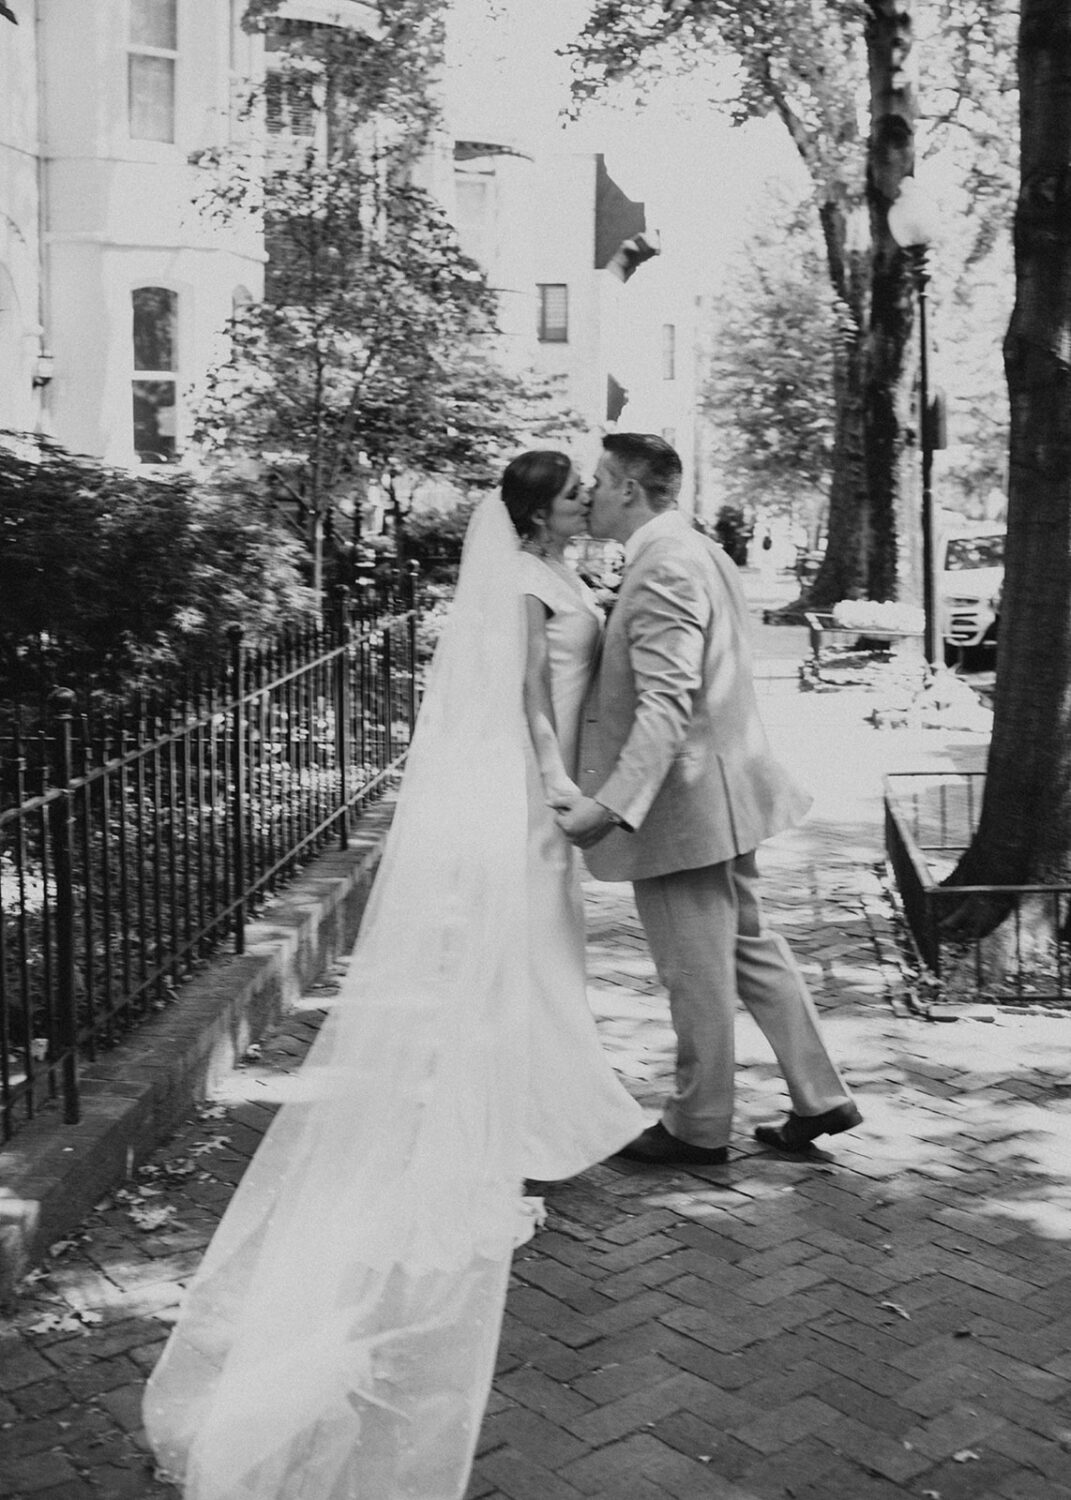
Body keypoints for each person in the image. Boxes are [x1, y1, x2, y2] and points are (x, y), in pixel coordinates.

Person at [142, 453, 641, 1500]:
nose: (581, 505)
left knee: (546, 957)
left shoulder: (563, 572)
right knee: (522, 956)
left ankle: (548, 1110)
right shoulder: (516, 582)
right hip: (525, 790)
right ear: (535, 513)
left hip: (549, 789)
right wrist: (555, 781)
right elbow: (524, 703)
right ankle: (515, 1121)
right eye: (566, 498)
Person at [557, 433, 861, 1165]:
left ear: (629, 488)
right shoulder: (693, 549)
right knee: (749, 948)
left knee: (693, 968)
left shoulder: (662, 564)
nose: (590, 492)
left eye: (599, 480)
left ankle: (697, 1125)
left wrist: (614, 805)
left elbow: (666, 701)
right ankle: (820, 1095)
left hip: (681, 805)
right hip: (725, 792)